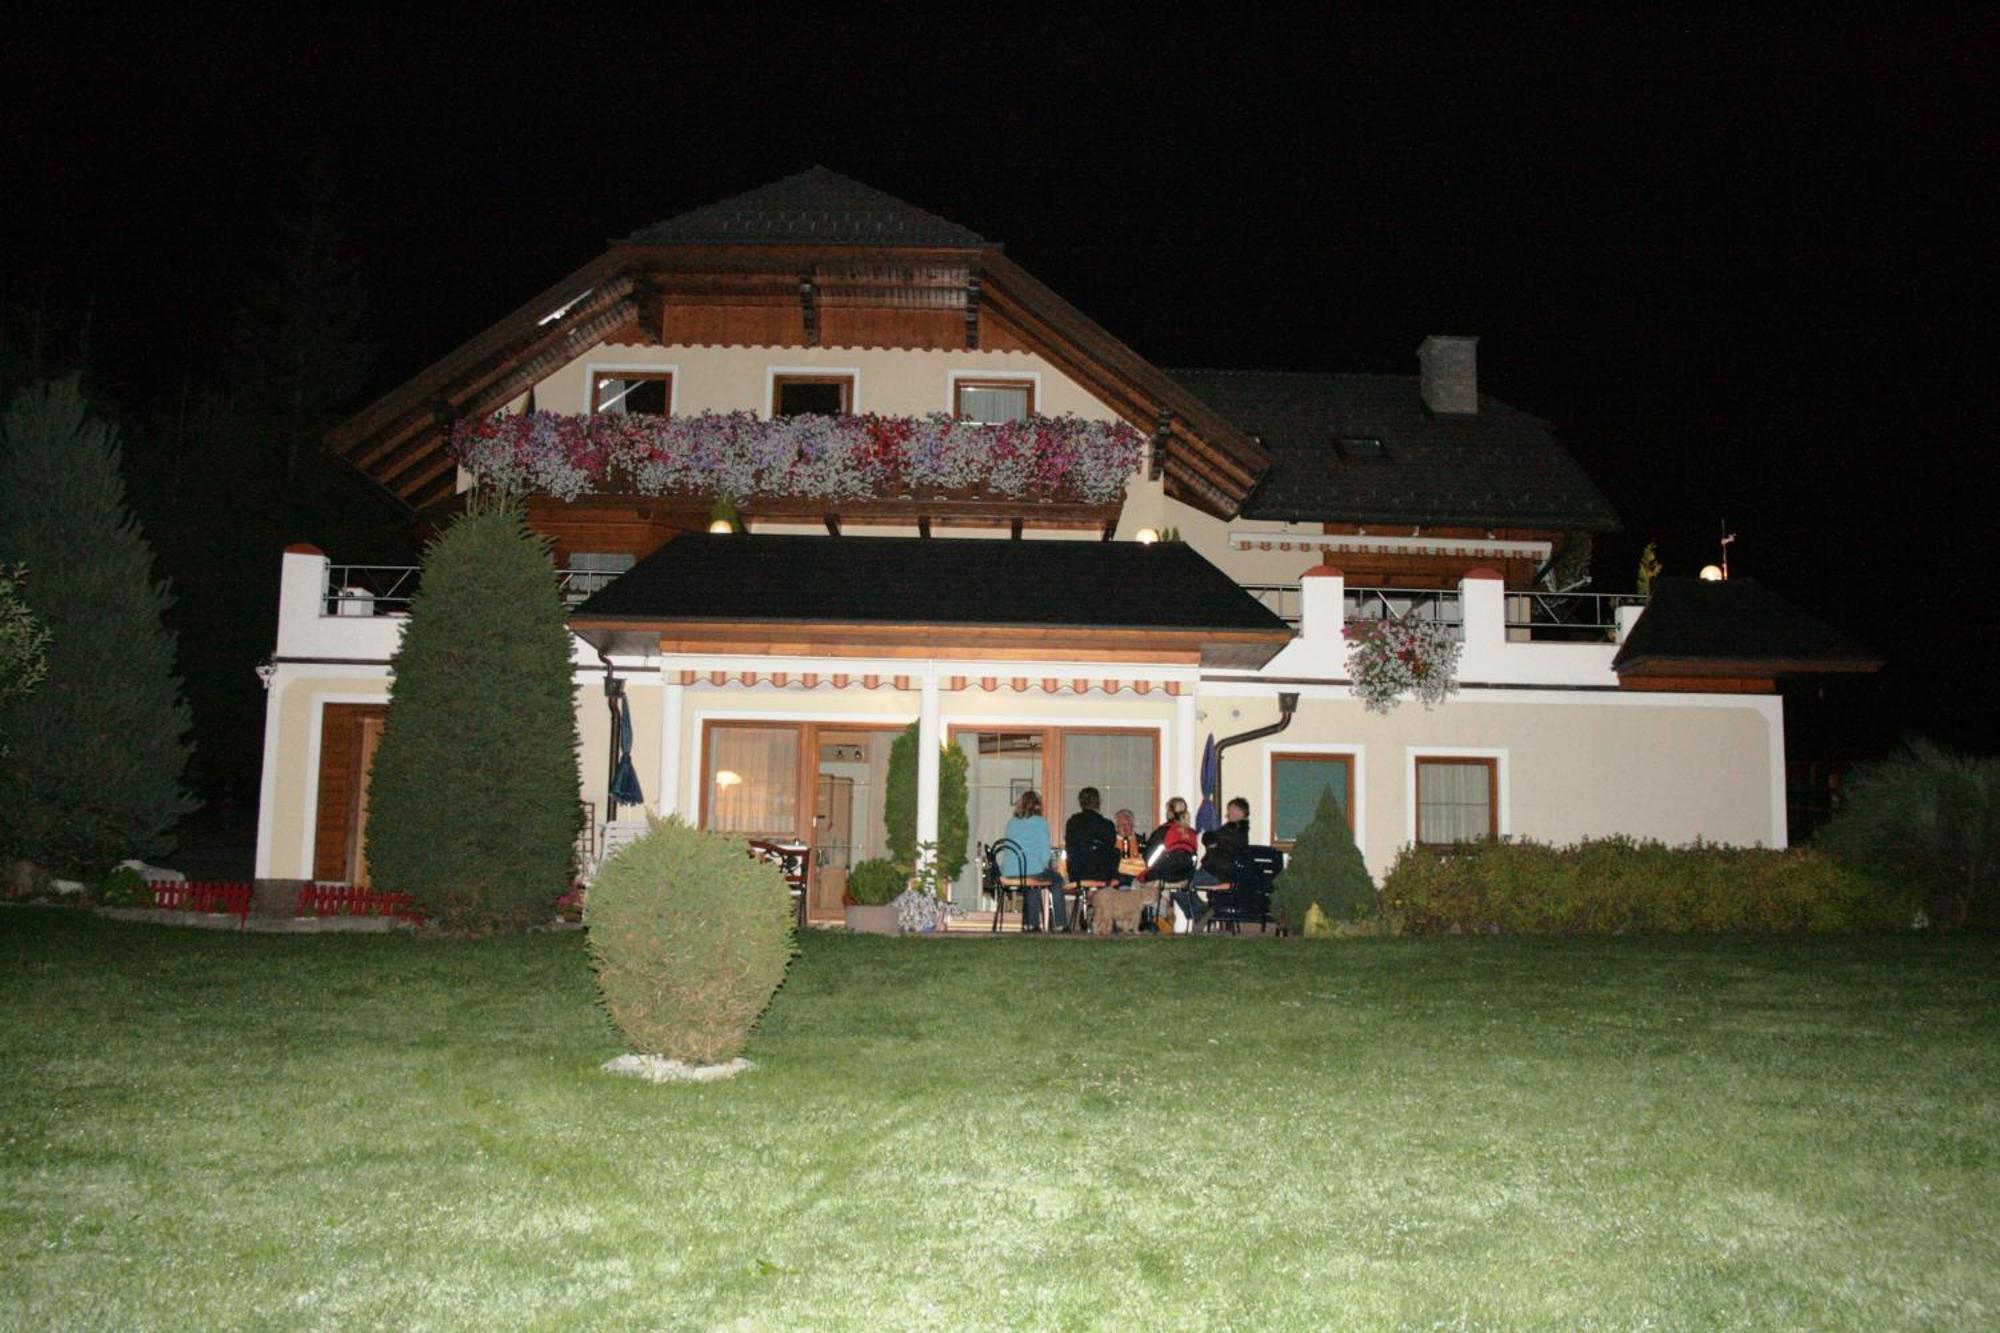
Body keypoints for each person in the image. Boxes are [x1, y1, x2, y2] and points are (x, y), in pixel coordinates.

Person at [1002, 788, 1066, 931]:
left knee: (1031, 882)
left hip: (1010, 871)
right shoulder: (1041, 823)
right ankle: (1060, 924)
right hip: (1030, 871)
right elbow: (1045, 853)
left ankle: (1030, 923)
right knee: (1056, 880)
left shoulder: (1011, 823)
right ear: (1038, 806)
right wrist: (1044, 865)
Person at [1064, 787, 1121, 887]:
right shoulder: (1107, 825)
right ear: (1098, 802)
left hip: (1077, 874)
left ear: (1081, 803)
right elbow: (1110, 848)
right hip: (1102, 875)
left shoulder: (1072, 823)